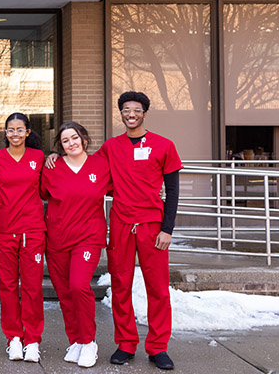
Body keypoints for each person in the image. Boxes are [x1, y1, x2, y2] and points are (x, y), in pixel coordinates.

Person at [102, 92, 182, 371]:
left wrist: (167, 228)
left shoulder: (164, 145)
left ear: (144, 113)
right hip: (122, 224)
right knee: (120, 285)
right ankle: (125, 343)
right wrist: (55, 158)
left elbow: (172, 191)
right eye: (126, 109)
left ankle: (158, 347)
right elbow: (88, 171)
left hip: (152, 225)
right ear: (121, 113)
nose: (131, 114)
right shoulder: (111, 147)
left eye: (136, 109)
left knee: (158, 288)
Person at [41, 122, 112, 369]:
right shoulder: (52, 167)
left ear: (83, 138)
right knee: (64, 292)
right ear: (60, 146)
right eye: (65, 141)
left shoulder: (101, 166)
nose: (71, 143)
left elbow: (123, 186)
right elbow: (41, 194)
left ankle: (89, 341)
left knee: (79, 285)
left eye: (74, 138)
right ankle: (76, 341)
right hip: (58, 238)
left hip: (88, 237)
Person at [0, 113, 46, 363]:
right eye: (10, 130)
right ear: (5, 133)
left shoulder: (39, 157)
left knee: (32, 287)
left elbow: (45, 188)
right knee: (8, 286)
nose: (15, 134)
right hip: (4, 229)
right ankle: (14, 338)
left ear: (28, 132)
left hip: (32, 229)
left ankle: (32, 339)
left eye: (19, 129)